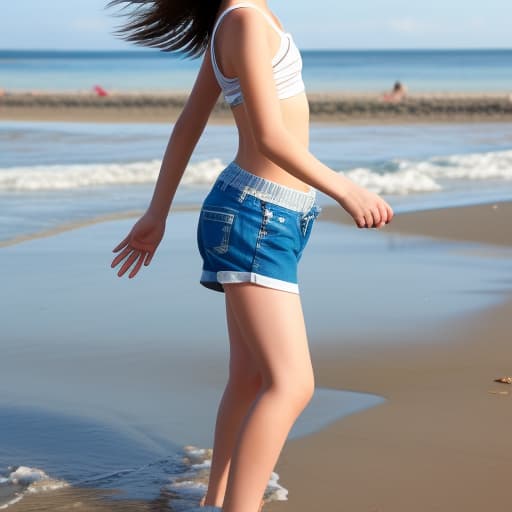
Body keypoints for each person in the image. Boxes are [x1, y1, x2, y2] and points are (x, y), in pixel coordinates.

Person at [108, 1, 394, 511]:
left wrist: (157, 213)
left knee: (250, 378)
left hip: (265, 213)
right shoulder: (241, 20)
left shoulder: (241, 20)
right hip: (258, 216)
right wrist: (345, 189)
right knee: (293, 384)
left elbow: (189, 123)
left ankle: (214, 501)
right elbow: (269, 136)